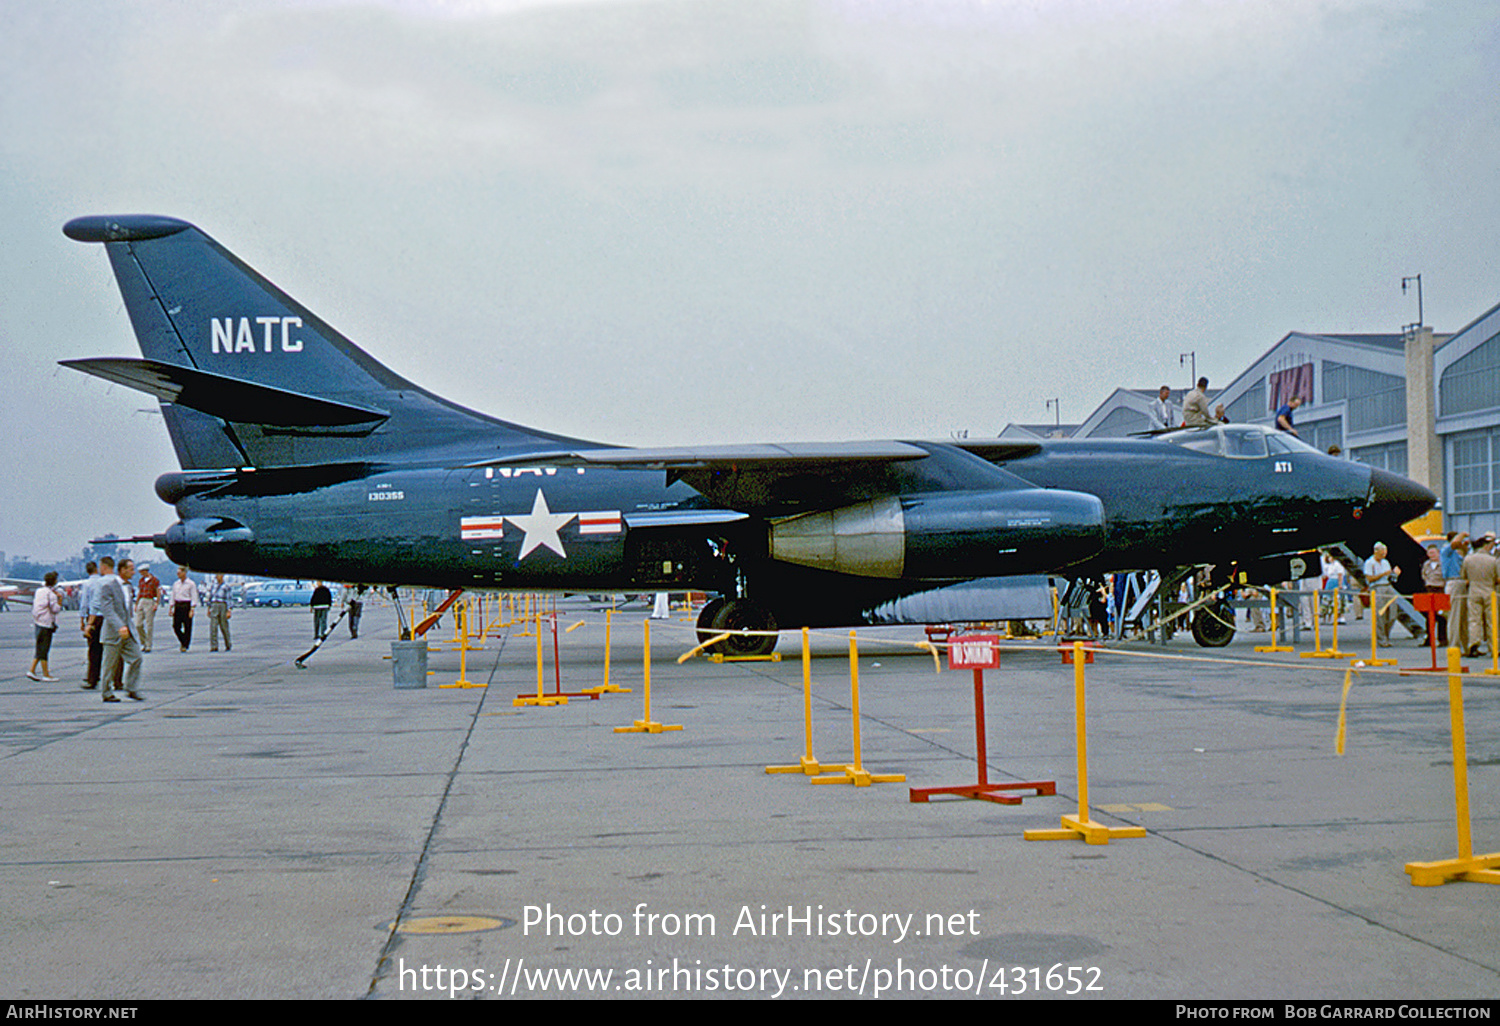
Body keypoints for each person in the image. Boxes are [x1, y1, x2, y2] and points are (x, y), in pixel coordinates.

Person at [99, 558, 144, 702]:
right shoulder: (108, 587)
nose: (134, 572)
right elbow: (107, 610)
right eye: (131, 569)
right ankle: (106, 692)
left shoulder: (129, 587)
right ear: (122, 570)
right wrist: (120, 626)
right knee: (109, 665)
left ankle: (131, 688)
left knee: (137, 658)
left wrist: (129, 627)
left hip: (128, 631)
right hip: (113, 633)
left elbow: (127, 610)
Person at [1462, 535, 1499, 658]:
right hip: (1489, 591)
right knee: (1492, 621)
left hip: (1474, 591)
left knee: (1474, 620)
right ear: (1485, 545)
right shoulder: (1492, 560)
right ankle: (1494, 647)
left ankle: (1474, 644)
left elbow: (1464, 576)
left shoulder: (1468, 559)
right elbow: (1497, 578)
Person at [1363, 542, 1400, 647]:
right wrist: (1383, 574)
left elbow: (1390, 578)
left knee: (1392, 613)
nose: (1384, 554)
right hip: (1377, 588)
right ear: (1376, 551)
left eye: (1385, 552)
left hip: (1388, 586)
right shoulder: (1369, 563)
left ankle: (1386, 635)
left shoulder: (1385, 562)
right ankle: (1381, 639)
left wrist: (1394, 574)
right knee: (1380, 615)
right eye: (1382, 552)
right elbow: (1369, 578)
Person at [28, 571, 62, 682]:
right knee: (44, 649)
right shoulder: (51, 594)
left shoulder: (39, 591)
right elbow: (55, 609)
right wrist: (60, 599)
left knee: (39, 647)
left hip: (38, 622)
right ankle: (46, 674)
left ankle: (32, 670)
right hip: (46, 623)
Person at [1441, 531, 1471, 655]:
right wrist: (1463, 534)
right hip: (1454, 583)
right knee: (1454, 616)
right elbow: (1455, 543)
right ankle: (1454, 646)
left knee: (1464, 617)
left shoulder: (1461, 554)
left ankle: (1467, 646)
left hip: (1463, 583)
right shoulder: (1446, 552)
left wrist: (1465, 547)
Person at [80, 560, 104, 689]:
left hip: (92, 617)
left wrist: (82, 621)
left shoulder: (87, 584)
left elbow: (84, 603)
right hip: (105, 616)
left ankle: (92, 677)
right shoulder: (103, 582)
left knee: (93, 649)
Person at [1421, 544, 1447, 645]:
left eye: (1433, 553)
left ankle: (1443, 639)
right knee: (1429, 615)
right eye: (1429, 553)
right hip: (1429, 589)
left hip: (1440, 588)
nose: (1431, 555)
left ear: (1438, 553)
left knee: (1441, 616)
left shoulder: (1443, 563)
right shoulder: (1426, 564)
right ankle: (1429, 639)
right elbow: (1424, 575)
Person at [170, 566, 199, 651]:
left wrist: (192, 609)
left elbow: (194, 596)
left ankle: (185, 644)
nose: (178, 574)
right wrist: (171, 607)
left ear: (184, 573)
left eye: (179, 573)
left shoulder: (191, 584)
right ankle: (183, 641)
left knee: (187, 626)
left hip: (186, 605)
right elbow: (173, 595)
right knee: (176, 626)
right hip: (178, 605)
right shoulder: (176, 584)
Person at [133, 565, 160, 652]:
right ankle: (143, 642)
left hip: (150, 600)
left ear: (145, 571)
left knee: (149, 624)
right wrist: (136, 604)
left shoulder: (154, 580)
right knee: (138, 624)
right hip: (142, 600)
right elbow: (140, 592)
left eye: (141, 572)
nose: (140, 574)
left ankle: (148, 645)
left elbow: (158, 591)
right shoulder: (141, 581)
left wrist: (156, 603)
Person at [206, 573, 232, 652]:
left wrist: (229, 610)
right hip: (214, 604)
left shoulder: (226, 586)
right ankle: (214, 646)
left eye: (219, 575)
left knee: (224, 626)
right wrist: (208, 608)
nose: (217, 577)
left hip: (222, 605)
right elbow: (210, 597)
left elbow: (229, 599)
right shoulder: (213, 586)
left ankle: (228, 644)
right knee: (213, 626)